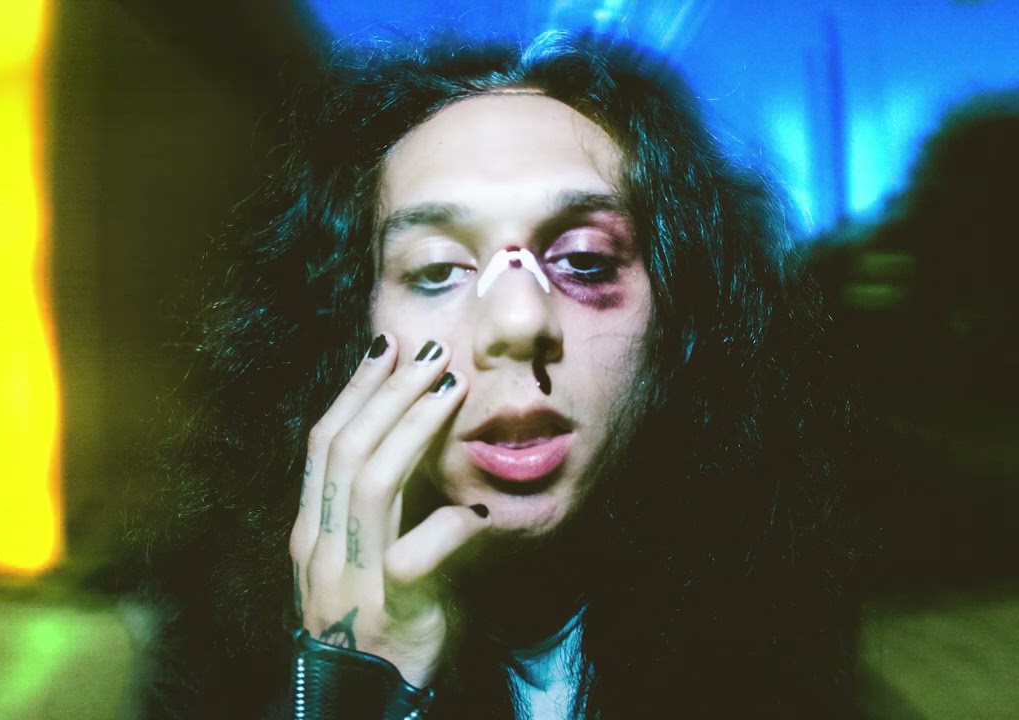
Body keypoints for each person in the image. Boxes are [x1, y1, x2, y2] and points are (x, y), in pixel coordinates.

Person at [132, 30, 860, 720]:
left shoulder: (781, 623)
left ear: (678, 320)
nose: (518, 322)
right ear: (349, 323)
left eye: (586, 261)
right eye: (436, 270)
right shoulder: (211, 658)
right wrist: (353, 684)